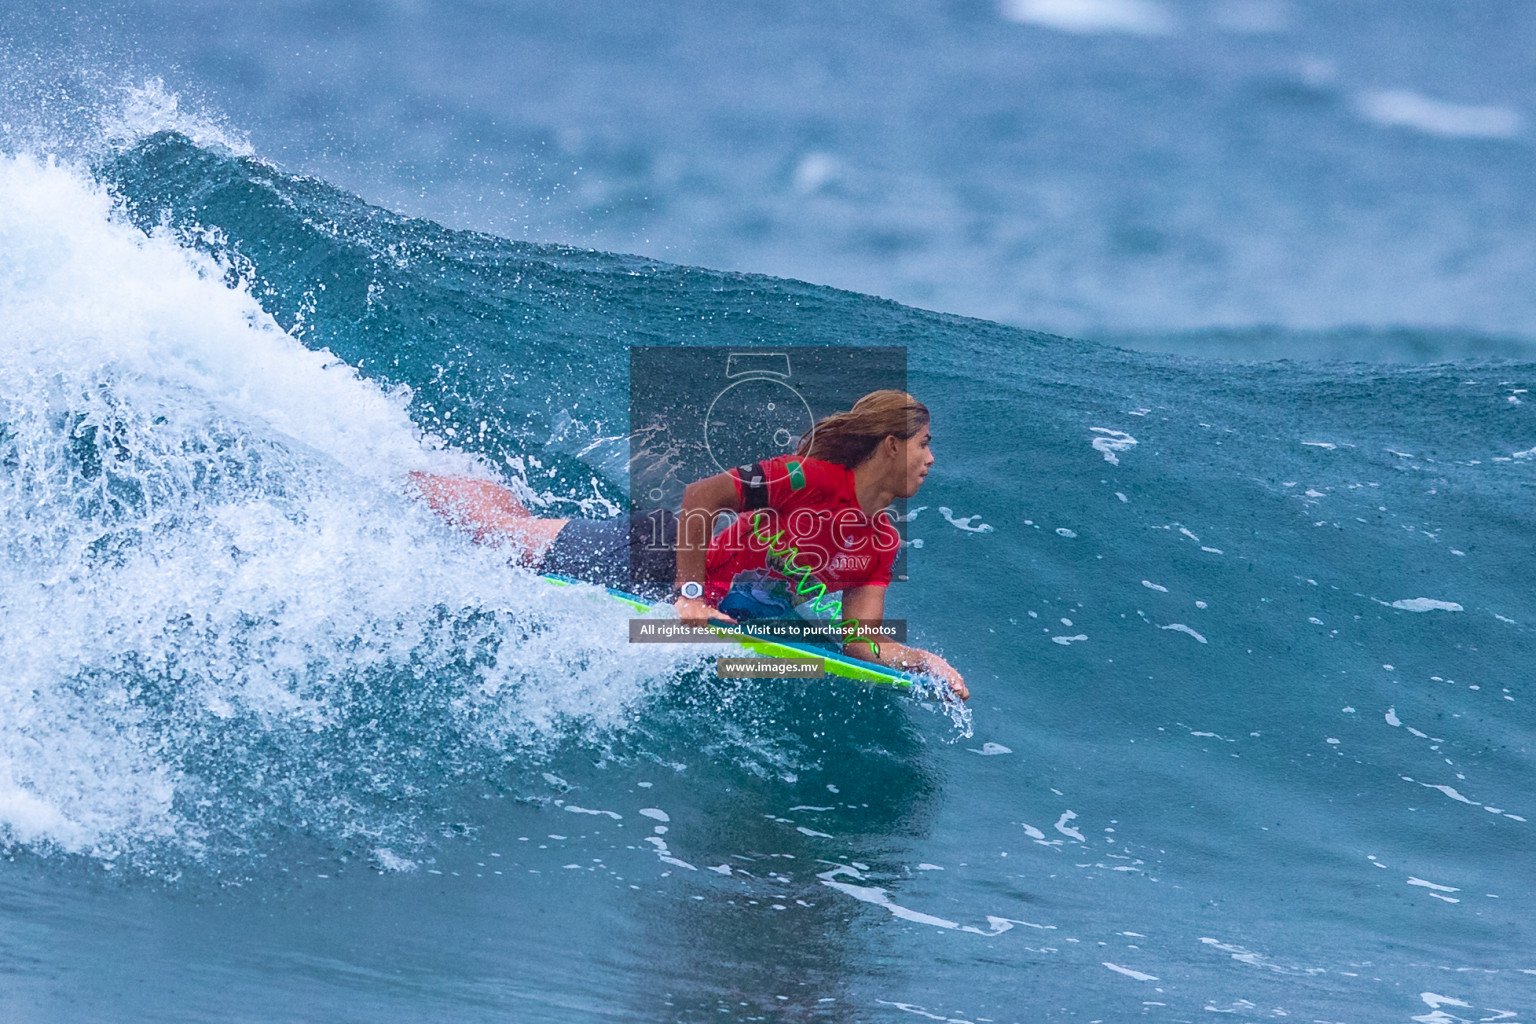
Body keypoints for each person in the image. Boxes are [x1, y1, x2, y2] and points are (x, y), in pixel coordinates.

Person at [410, 389, 967, 699]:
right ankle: (407, 471)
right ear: (890, 446)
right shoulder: (807, 479)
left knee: (514, 529)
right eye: (924, 443)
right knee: (504, 534)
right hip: (658, 553)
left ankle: (464, 486)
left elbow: (861, 644)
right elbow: (703, 495)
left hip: (704, 602)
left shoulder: (880, 543)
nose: (931, 457)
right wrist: (692, 594)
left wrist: (921, 660)